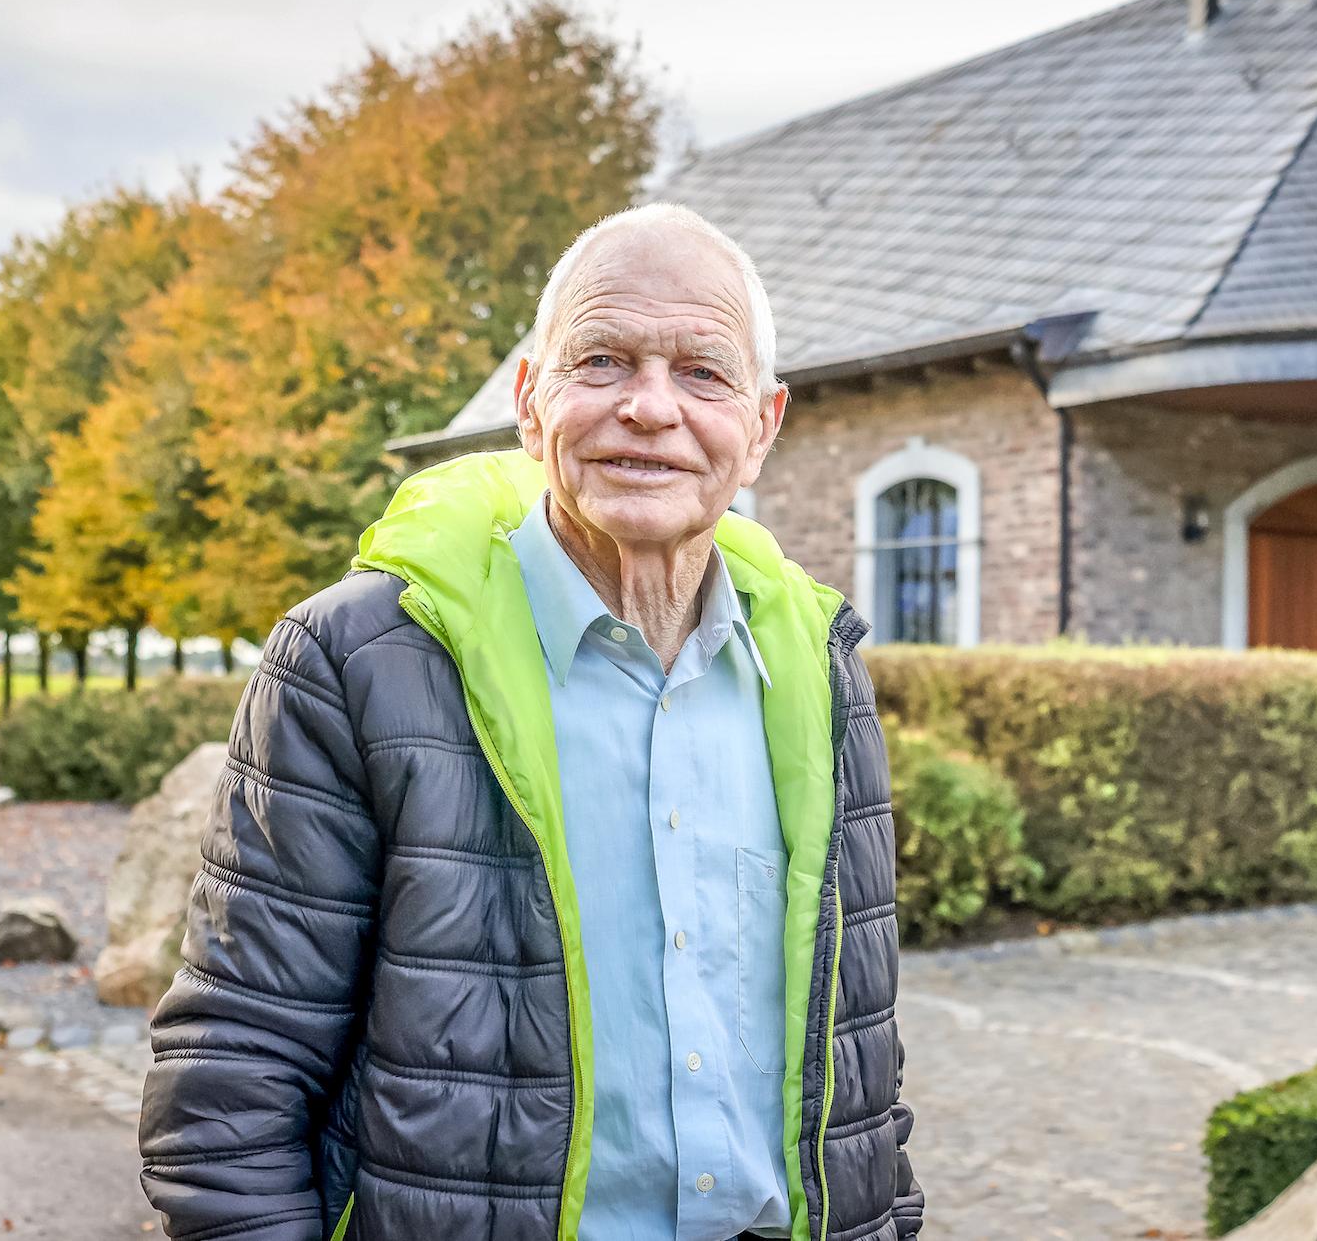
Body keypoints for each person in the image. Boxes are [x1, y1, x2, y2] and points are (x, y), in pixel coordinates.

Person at [138, 203, 924, 1241]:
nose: (650, 407)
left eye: (701, 372)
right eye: (601, 360)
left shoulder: (819, 677)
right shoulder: (359, 659)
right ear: (528, 399)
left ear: (763, 426)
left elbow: (859, 1061)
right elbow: (233, 1074)